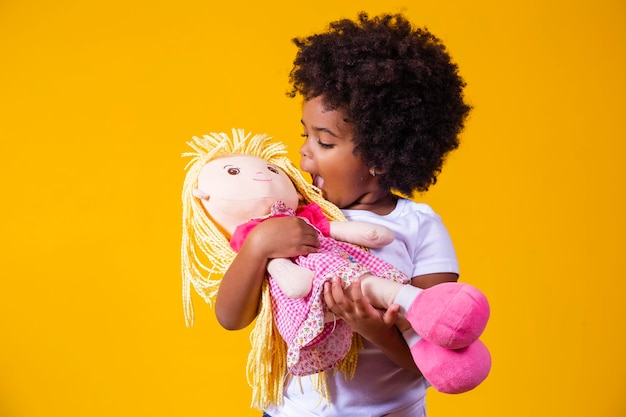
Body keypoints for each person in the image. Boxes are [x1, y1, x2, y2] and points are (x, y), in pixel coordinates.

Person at [215, 11, 474, 417]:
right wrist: (258, 247)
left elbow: (435, 361)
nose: (304, 153)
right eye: (305, 135)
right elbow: (231, 318)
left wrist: (371, 327)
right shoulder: (294, 219)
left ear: (380, 157)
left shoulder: (419, 227)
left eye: (324, 141)